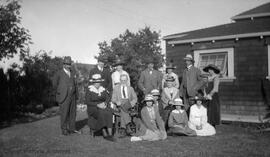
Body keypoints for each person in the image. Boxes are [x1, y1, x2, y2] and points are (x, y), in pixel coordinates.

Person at [85, 74, 115, 142]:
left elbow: (108, 97)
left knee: (109, 112)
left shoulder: (103, 89)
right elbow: (87, 102)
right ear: (93, 82)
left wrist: (105, 103)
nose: (97, 83)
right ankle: (104, 132)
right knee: (102, 113)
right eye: (96, 82)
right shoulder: (89, 89)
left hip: (103, 105)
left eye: (98, 82)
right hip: (93, 108)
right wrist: (97, 105)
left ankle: (110, 134)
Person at [53, 56, 78, 135]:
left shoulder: (73, 73)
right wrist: (60, 92)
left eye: (69, 64)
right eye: (66, 64)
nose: (68, 65)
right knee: (64, 113)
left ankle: (72, 128)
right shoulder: (59, 73)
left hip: (73, 96)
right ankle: (64, 129)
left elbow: (75, 84)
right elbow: (54, 84)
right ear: (63, 64)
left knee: (72, 113)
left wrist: (76, 94)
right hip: (64, 97)